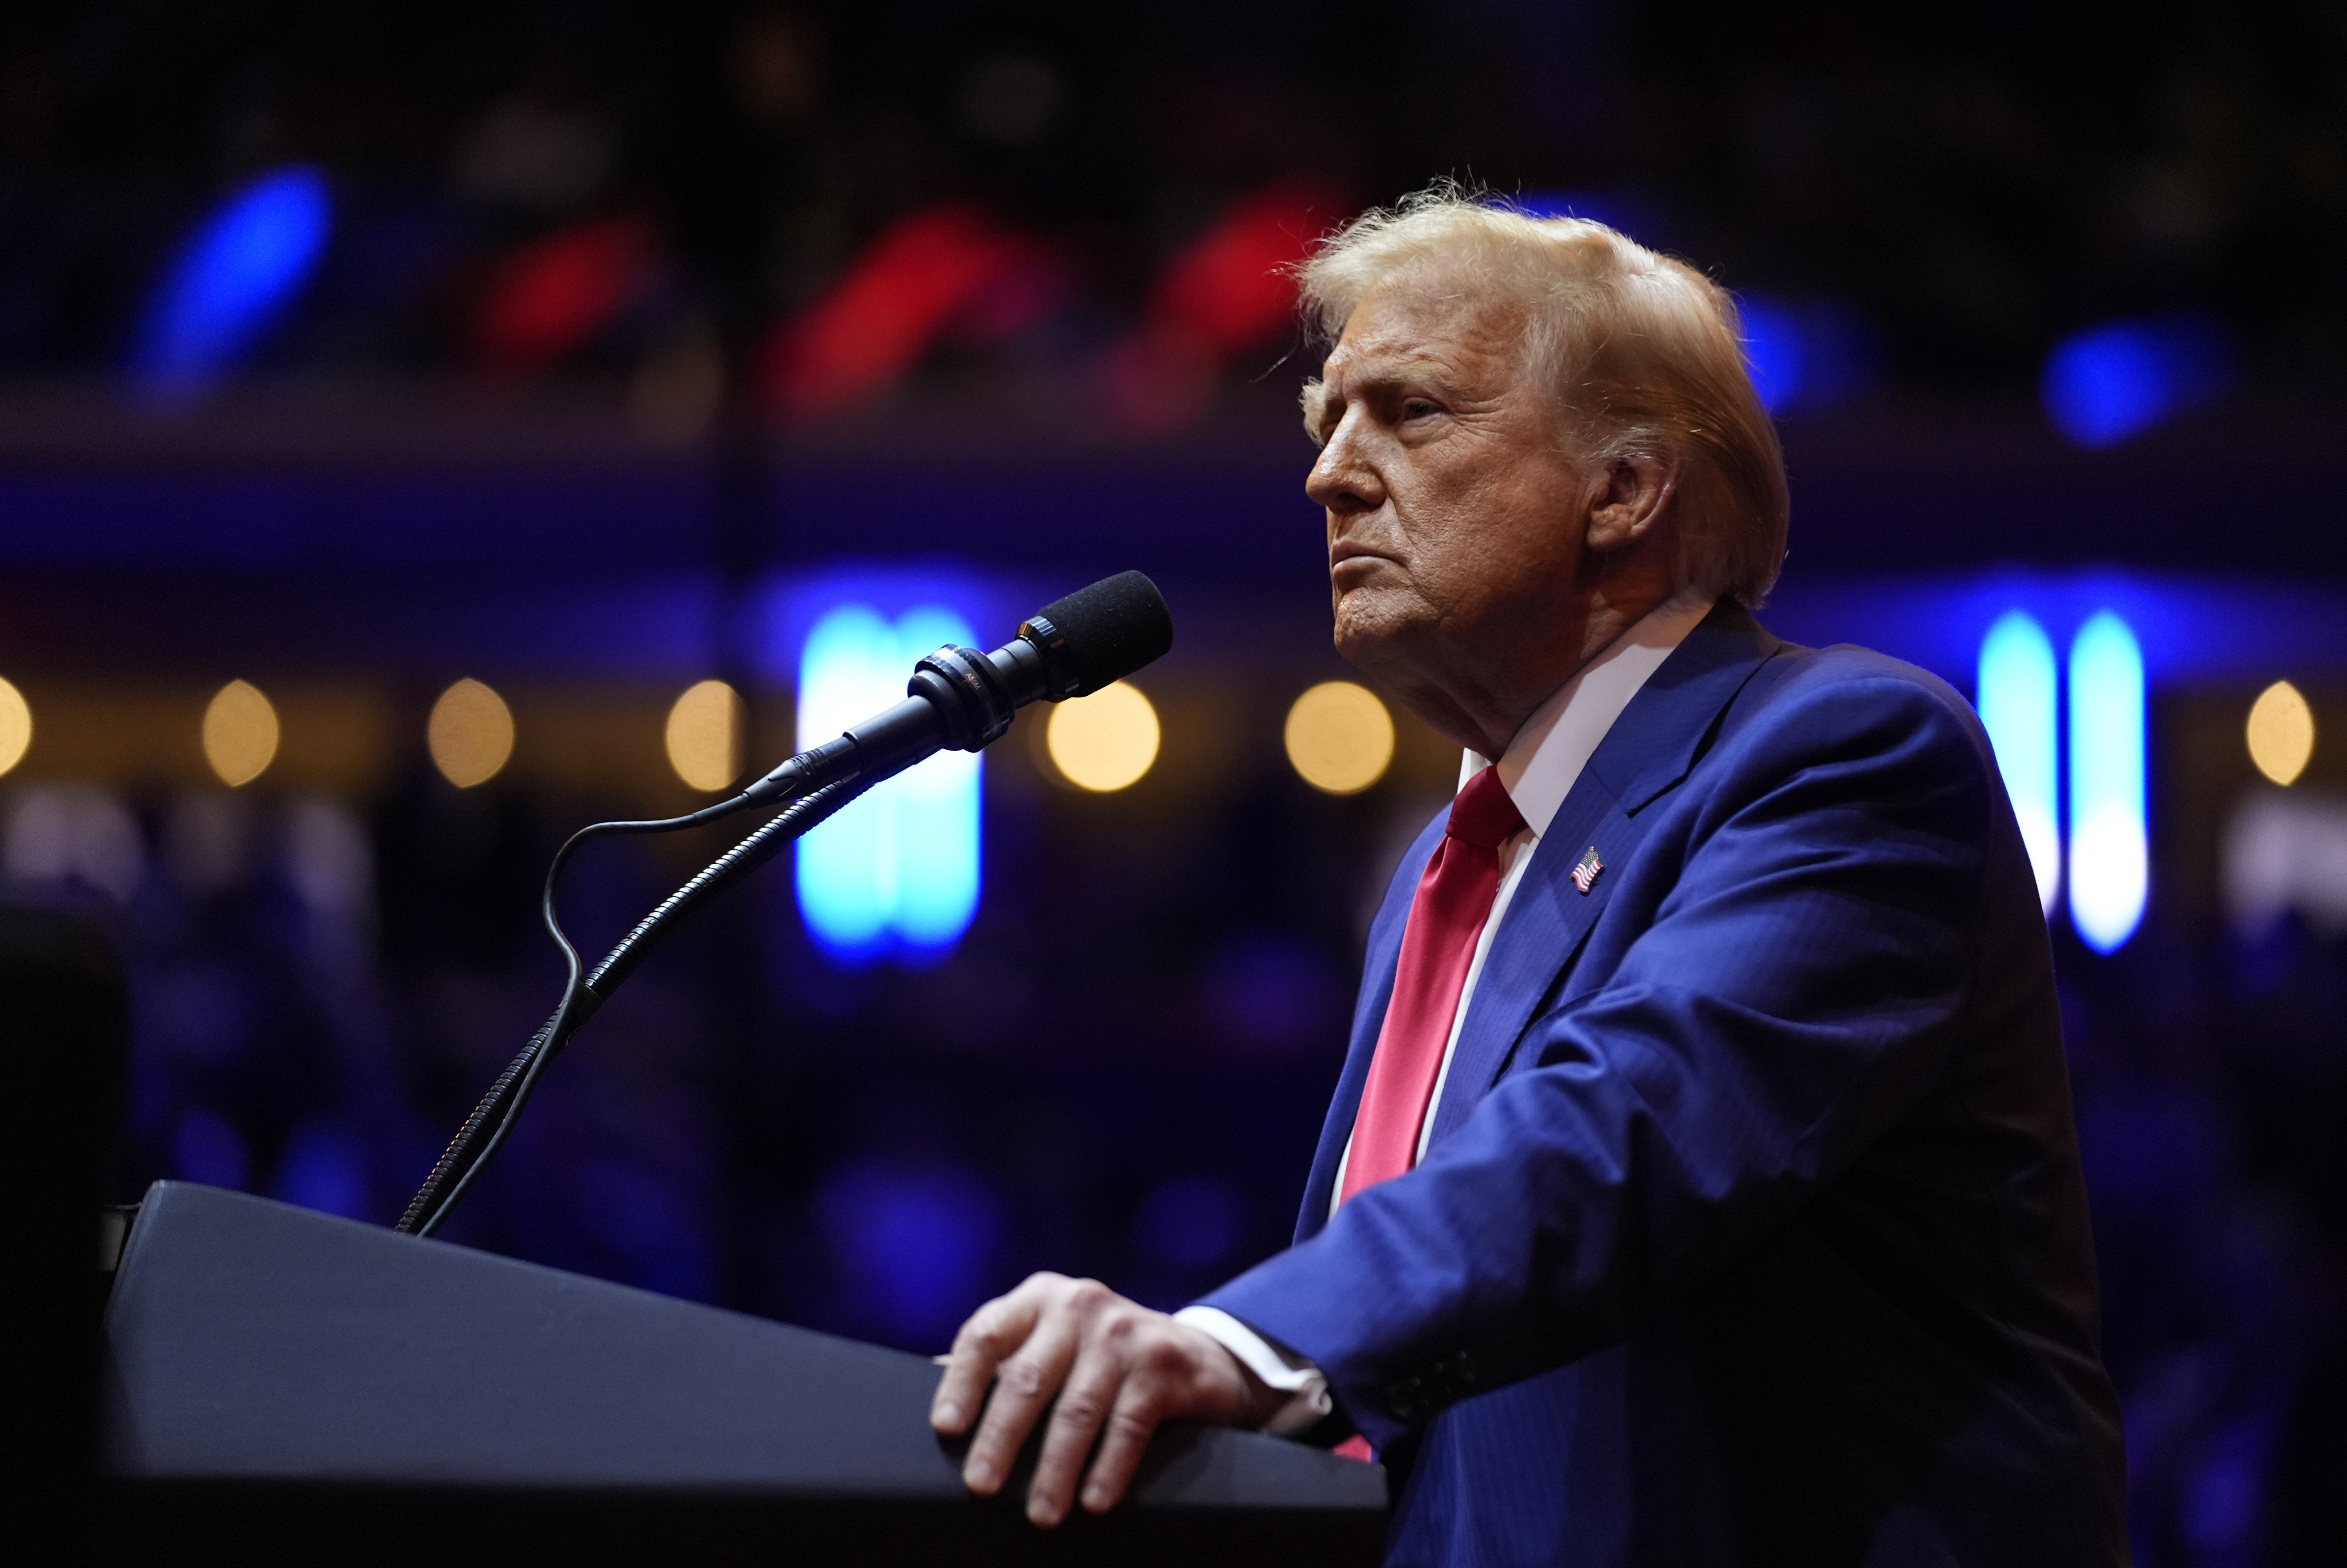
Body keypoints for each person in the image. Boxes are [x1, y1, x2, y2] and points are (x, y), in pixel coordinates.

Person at [930, 191, 2129, 1566]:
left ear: (1623, 490)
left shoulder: (1843, 752)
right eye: (1327, 420)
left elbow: (1630, 1124)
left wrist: (1243, 1340)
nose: (1329, 472)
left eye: (1412, 412)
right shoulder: (1448, 872)